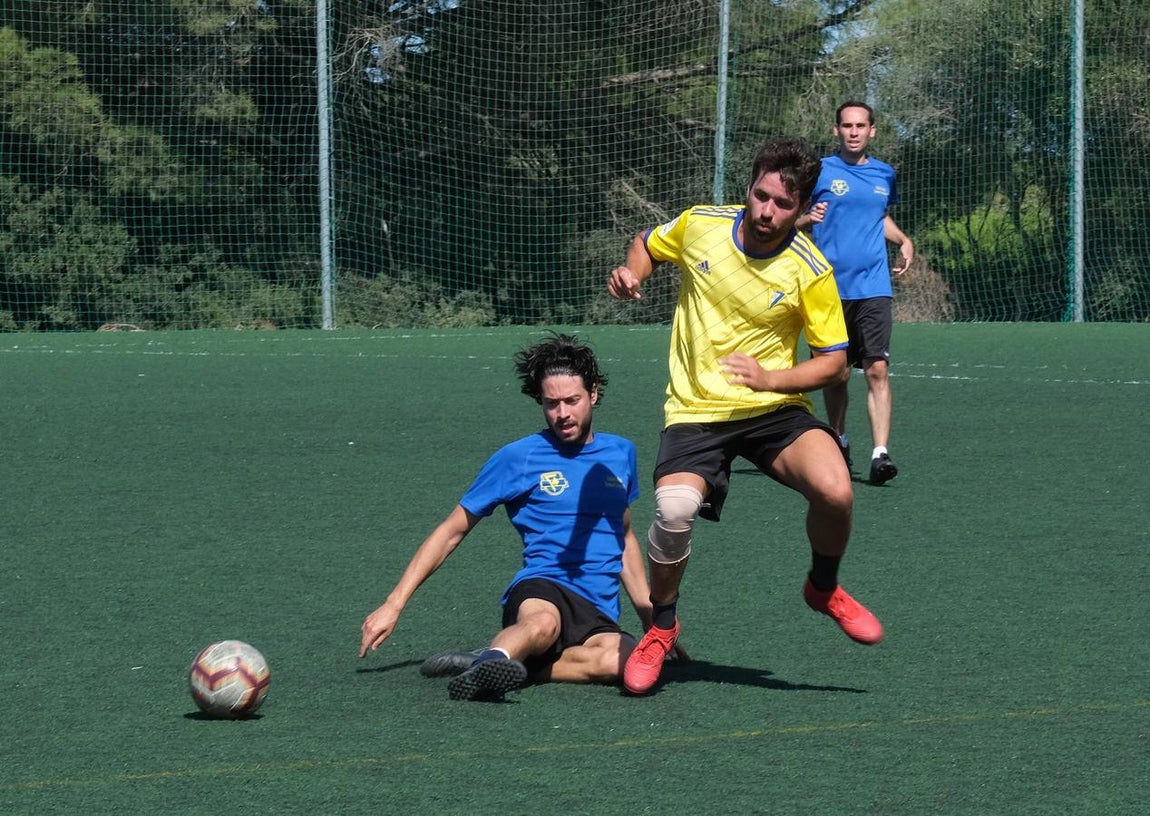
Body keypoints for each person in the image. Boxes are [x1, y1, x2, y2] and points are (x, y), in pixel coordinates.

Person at [607, 136, 884, 696]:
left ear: (803, 207)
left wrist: (771, 380)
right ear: (749, 186)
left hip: (772, 408)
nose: (766, 212)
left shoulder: (811, 267)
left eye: (783, 205)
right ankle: (661, 628)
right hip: (696, 409)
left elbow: (833, 364)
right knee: (675, 509)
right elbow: (646, 243)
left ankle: (822, 587)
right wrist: (632, 273)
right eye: (760, 196)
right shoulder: (701, 224)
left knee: (837, 491)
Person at [358, 333, 670, 702]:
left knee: (622, 663)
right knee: (541, 625)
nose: (563, 414)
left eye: (572, 400)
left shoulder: (620, 452)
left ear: (594, 395)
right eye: (551, 403)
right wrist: (393, 604)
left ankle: (499, 664)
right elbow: (452, 531)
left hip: (597, 607)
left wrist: (652, 622)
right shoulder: (517, 457)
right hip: (543, 587)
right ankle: (496, 659)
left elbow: (624, 537)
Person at [798, 101, 914, 485]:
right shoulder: (819, 172)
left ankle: (881, 453)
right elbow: (789, 217)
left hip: (874, 286)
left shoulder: (885, 174)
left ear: (872, 131)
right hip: (827, 288)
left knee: (878, 369)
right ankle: (837, 438)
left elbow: (878, 216)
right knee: (836, 375)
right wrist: (805, 218)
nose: (853, 131)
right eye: (846, 125)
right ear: (836, 131)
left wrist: (902, 240)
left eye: (860, 125)